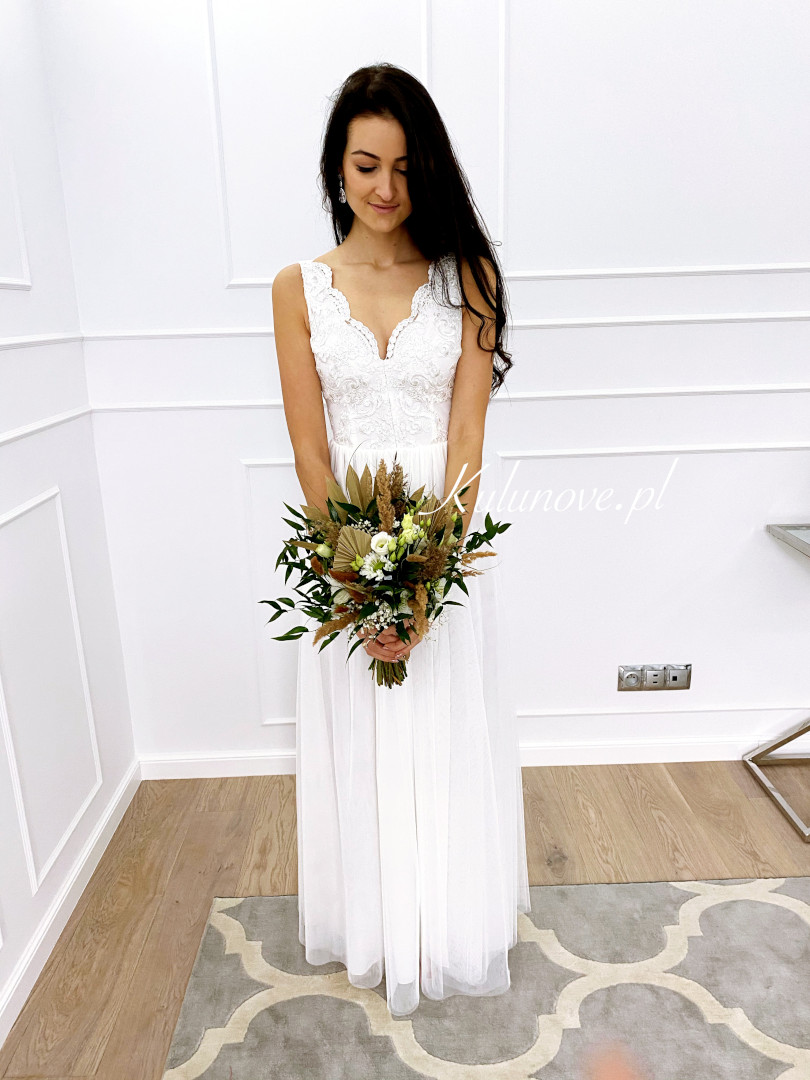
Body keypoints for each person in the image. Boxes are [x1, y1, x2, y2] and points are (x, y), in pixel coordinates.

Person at [272, 62, 531, 1018]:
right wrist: (354, 577)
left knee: (444, 732)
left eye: (407, 168)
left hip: (440, 539)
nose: (386, 188)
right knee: (365, 740)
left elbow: (465, 440)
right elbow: (310, 451)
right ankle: (379, 926)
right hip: (345, 540)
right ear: (336, 168)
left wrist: (429, 579)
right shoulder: (298, 288)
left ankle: (449, 923)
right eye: (366, 165)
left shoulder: (470, 280)